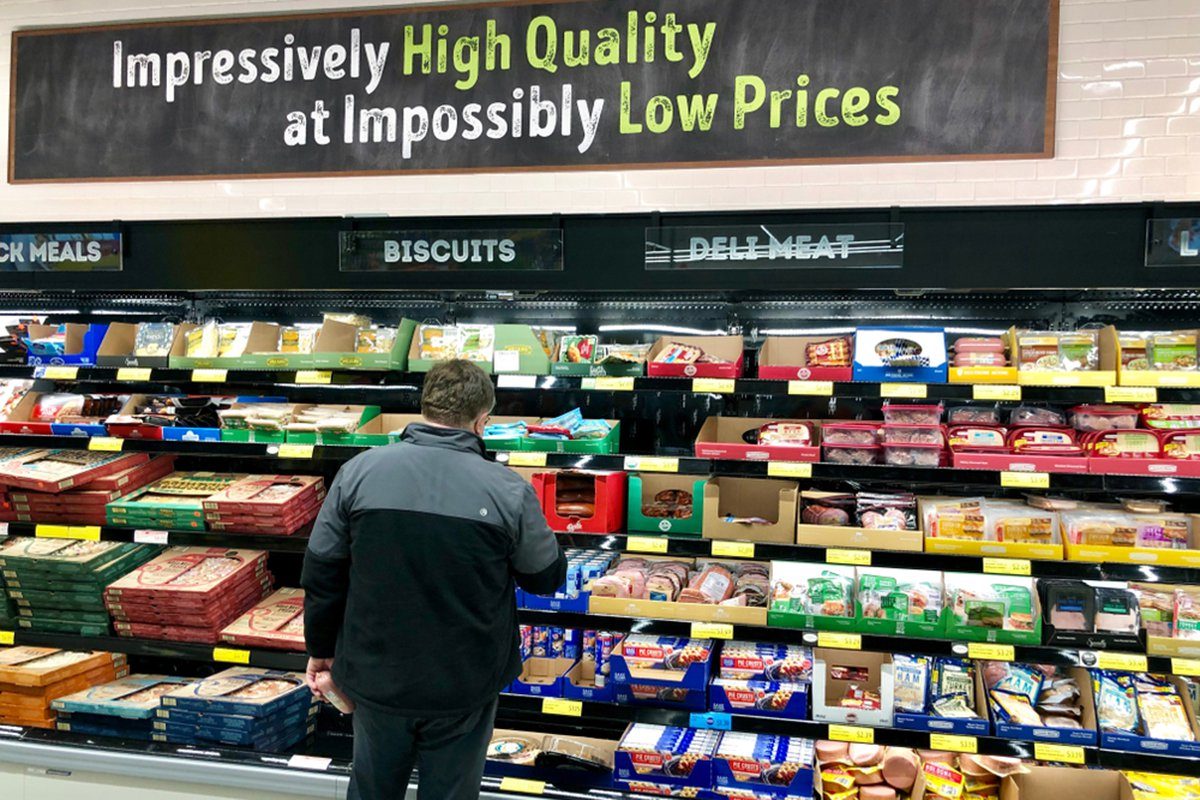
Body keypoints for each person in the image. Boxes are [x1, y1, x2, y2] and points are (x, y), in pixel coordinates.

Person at [301, 359, 566, 800]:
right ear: (483, 420)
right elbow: (545, 577)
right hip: (464, 682)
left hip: (375, 675)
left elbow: (322, 571)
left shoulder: (358, 473)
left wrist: (321, 650)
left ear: (422, 407)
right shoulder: (507, 490)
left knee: (371, 789)